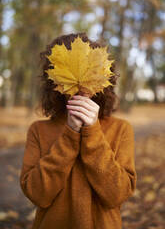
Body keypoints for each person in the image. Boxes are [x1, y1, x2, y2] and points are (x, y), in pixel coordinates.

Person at [19, 32, 137, 229]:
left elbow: (117, 195)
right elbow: (37, 194)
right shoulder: (38, 130)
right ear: (53, 81)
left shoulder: (120, 129)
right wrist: (70, 134)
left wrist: (92, 132)